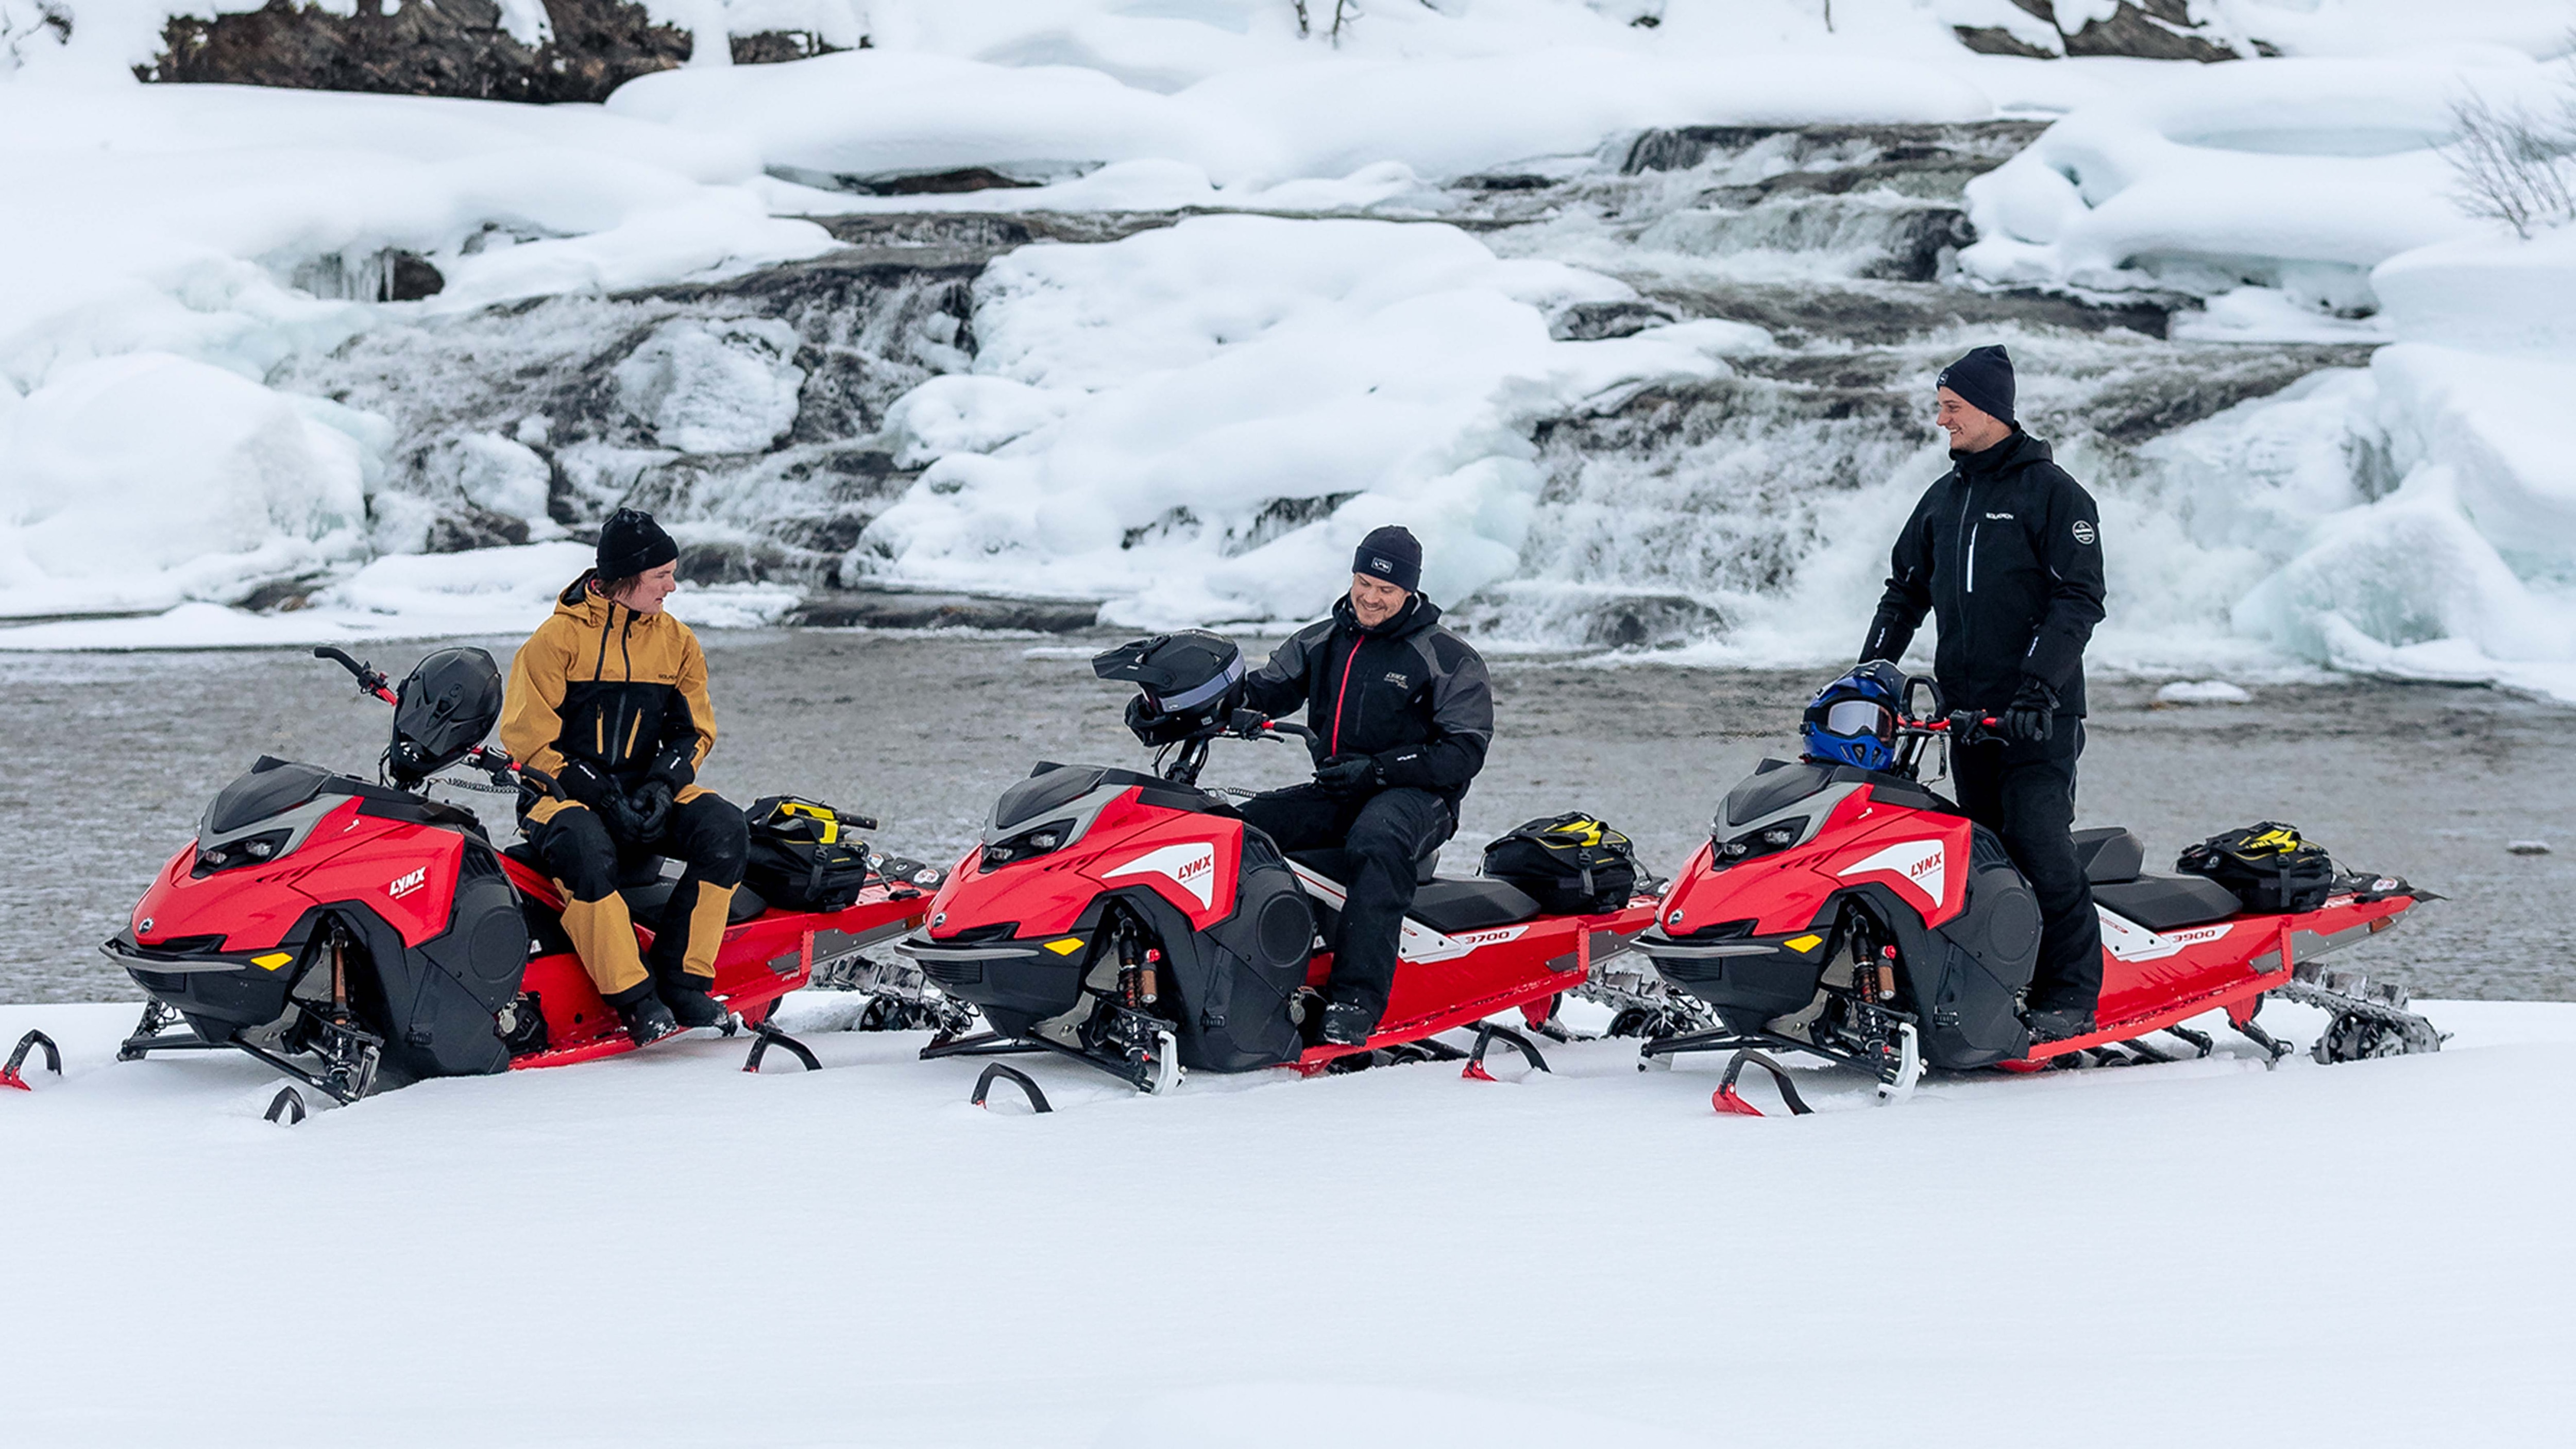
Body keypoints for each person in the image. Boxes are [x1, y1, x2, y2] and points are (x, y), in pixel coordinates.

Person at [1858, 345, 2108, 1041]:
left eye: (1952, 408)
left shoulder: (2054, 494)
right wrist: (1869, 673)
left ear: (1993, 410)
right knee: (1983, 857)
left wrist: (2038, 687)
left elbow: (2079, 599)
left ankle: (2072, 995)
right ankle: (1997, 984)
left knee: (2040, 846)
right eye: (1940, 407)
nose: (1942, 422)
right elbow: (1904, 591)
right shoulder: (1945, 499)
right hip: (1966, 721)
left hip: (2038, 717)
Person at [1223, 526, 1494, 1047]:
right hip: (1336, 790)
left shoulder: (1446, 656)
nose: (1370, 597)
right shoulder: (1321, 639)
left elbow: (1463, 753)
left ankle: (1356, 1000)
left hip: (1420, 798)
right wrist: (1176, 707)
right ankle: (1244, 970)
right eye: (1364, 582)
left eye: (1385, 590)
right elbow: (1262, 691)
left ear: (1409, 592)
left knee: (1374, 841)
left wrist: (1377, 770)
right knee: (1238, 829)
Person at [500, 508, 750, 1045]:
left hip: (644, 793)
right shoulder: (554, 642)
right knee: (583, 846)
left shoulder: (677, 641)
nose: (672, 586)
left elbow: (694, 732)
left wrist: (663, 783)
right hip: (561, 797)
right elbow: (527, 742)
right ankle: (636, 999)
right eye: (661, 575)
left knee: (724, 826)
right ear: (627, 577)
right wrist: (595, 791)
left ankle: (683, 982)